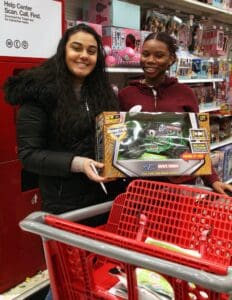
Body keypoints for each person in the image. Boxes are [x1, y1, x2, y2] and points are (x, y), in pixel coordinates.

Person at [4, 22, 128, 300]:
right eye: (77, 48)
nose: (84, 55)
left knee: (93, 274)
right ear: (63, 51)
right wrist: (78, 163)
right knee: (66, 276)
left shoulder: (100, 92)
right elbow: (29, 155)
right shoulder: (39, 92)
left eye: (92, 51)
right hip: (65, 204)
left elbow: (108, 140)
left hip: (102, 199)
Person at [118, 31, 232, 195]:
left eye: (159, 55)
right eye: (146, 54)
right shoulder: (126, 94)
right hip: (139, 185)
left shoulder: (185, 93)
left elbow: (197, 140)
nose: (150, 60)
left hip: (180, 184)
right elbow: (119, 140)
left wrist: (213, 179)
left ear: (171, 59)